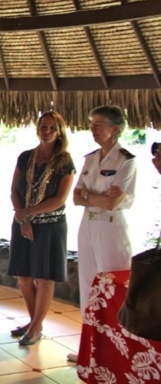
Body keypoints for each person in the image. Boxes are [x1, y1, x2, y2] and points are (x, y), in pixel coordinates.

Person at [68, 105, 136, 362]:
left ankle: (116, 350)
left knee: (111, 288)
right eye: (92, 123)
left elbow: (112, 204)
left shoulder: (126, 161)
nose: (92, 129)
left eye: (98, 124)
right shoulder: (90, 158)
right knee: (88, 286)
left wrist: (89, 196)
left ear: (115, 129)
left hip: (110, 227)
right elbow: (76, 197)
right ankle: (89, 350)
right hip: (88, 225)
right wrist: (93, 197)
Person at [7, 111, 75, 346]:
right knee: (24, 277)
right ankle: (34, 321)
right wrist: (23, 219)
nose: (46, 131)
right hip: (23, 223)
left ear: (59, 132)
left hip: (50, 226)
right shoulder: (25, 157)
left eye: (52, 128)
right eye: (43, 126)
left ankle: (35, 328)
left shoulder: (65, 161)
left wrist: (28, 214)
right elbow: (14, 190)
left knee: (44, 278)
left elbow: (59, 199)